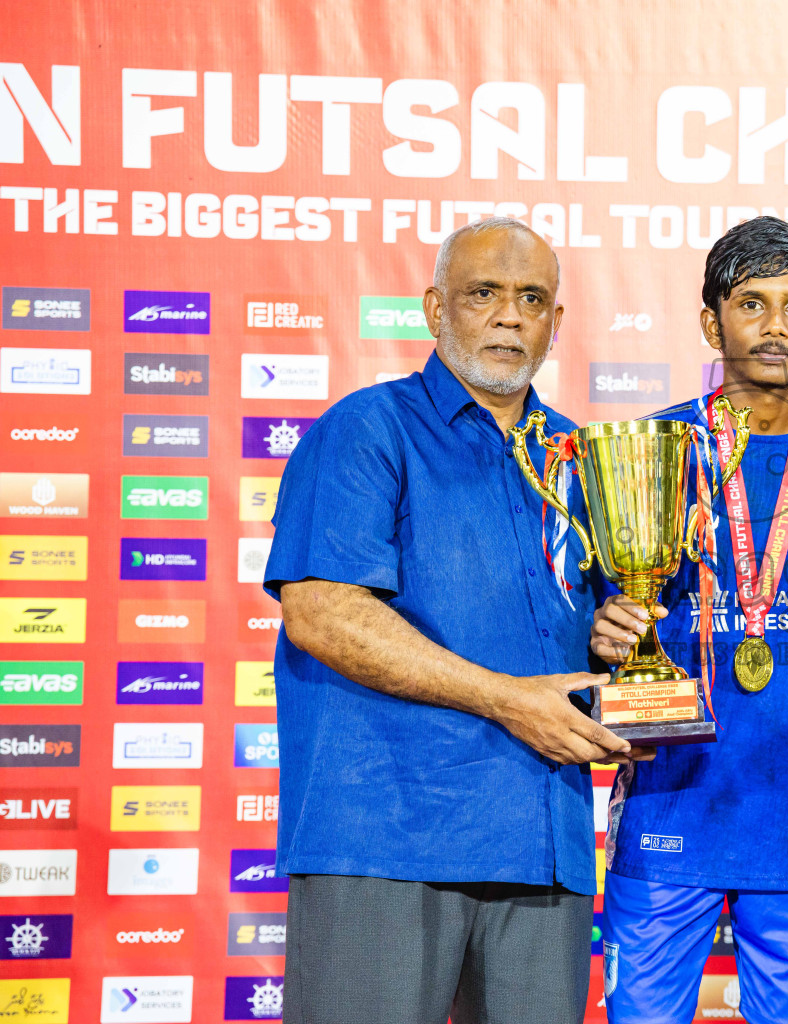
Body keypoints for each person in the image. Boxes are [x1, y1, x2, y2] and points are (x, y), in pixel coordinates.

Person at [266, 217, 651, 1024]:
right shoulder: (367, 430)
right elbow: (324, 614)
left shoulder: (582, 457)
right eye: (485, 294)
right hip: (385, 841)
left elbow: (584, 640)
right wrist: (509, 700)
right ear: (435, 309)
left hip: (543, 849)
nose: (510, 316)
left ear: (556, 322)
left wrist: (616, 641)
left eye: (532, 298)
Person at [590, 216, 788, 1024]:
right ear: (708, 321)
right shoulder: (645, 449)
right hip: (668, 804)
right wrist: (604, 628)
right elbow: (583, 611)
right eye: (750, 303)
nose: (772, 325)